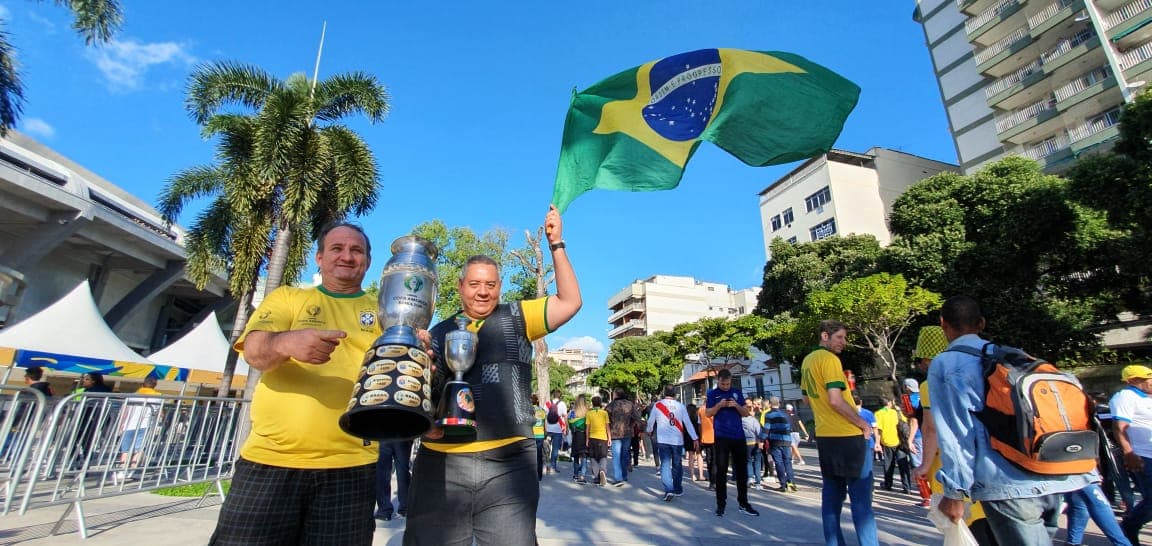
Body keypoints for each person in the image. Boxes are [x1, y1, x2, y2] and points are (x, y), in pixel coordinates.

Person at [405, 205, 581, 546]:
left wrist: (556, 245)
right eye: (474, 284)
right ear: (460, 287)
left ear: (499, 286)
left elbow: (570, 301)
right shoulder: (437, 332)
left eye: (490, 284)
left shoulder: (519, 315)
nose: (482, 292)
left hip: (509, 461)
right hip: (441, 464)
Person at [210, 223, 383, 545]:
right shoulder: (287, 297)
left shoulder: (384, 312)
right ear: (319, 258)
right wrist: (285, 343)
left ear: (367, 262)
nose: (347, 256)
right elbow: (254, 353)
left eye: (356, 251)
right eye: (337, 249)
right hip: (270, 461)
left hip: (351, 466)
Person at [931, 296, 1094, 544]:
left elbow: (955, 433)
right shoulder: (1013, 355)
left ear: (943, 323)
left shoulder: (945, 364)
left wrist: (955, 491)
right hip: (1051, 469)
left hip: (1006, 481)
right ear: (982, 323)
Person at [911, 324, 999, 544]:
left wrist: (923, 465)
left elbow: (931, 428)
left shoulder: (932, 381)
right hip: (991, 464)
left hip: (952, 467)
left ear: (927, 358)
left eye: (921, 360)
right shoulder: (983, 370)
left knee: (968, 531)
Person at [800, 319, 878, 546]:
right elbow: (835, 400)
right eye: (839, 337)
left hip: (825, 436)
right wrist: (863, 424)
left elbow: (806, 398)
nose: (843, 342)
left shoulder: (807, 361)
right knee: (861, 501)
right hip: (848, 435)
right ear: (825, 336)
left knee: (831, 498)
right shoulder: (830, 359)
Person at [705, 369, 759, 517]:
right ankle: (720, 504)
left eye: (728, 383)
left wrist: (736, 405)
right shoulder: (712, 393)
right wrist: (719, 406)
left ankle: (744, 502)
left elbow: (746, 413)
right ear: (718, 380)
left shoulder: (736, 392)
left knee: (742, 471)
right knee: (721, 471)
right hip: (721, 437)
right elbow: (708, 413)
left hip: (738, 436)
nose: (726, 386)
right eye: (723, 383)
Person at [1113, 364, 1152, 545]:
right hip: (1142, 456)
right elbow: (1119, 427)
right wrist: (1129, 453)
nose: (1151, 381)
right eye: (1147, 378)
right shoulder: (1125, 397)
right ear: (1133, 381)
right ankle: (1129, 526)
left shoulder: (1148, 398)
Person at [647, 385, 698, 501]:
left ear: (664, 392)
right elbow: (688, 423)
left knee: (665, 464)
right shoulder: (680, 406)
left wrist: (649, 430)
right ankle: (678, 489)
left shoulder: (657, 405)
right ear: (675, 394)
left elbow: (650, 421)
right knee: (677, 465)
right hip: (677, 440)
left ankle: (668, 490)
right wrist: (695, 438)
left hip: (663, 440)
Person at [114, 376, 163, 483]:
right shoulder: (158, 397)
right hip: (145, 425)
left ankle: (122, 471)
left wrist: (121, 424)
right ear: (155, 385)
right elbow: (160, 413)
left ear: (143, 384)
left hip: (129, 424)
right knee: (138, 450)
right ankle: (132, 471)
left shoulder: (133, 396)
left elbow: (124, 411)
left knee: (126, 450)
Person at [874, 396, 911, 494]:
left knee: (889, 465)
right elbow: (905, 421)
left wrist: (877, 443)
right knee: (903, 465)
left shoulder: (878, 414)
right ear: (889, 403)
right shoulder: (896, 412)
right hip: (900, 441)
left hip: (887, 442)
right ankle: (907, 487)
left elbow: (878, 430)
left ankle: (888, 484)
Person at [606, 387, 640, 486]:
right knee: (625, 454)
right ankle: (624, 476)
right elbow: (636, 417)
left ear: (616, 394)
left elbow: (606, 420)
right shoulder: (630, 404)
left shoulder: (611, 406)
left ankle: (618, 478)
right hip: (627, 433)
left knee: (616, 456)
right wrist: (631, 425)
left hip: (615, 433)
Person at [763, 396, 797, 492]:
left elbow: (766, 429)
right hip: (786, 440)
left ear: (770, 404)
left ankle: (783, 484)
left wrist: (762, 439)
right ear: (779, 403)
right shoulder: (786, 414)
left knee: (779, 462)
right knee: (788, 462)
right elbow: (789, 427)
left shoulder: (769, 415)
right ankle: (791, 482)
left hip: (775, 441)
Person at [375, 439, 414, 522]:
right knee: (403, 471)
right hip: (402, 436)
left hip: (384, 435)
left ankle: (384, 510)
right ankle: (405, 507)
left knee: (382, 473)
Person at [585, 395, 610, 486]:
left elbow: (588, 427)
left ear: (592, 403)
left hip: (592, 437)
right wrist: (609, 438)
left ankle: (596, 476)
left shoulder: (589, 413)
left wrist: (587, 439)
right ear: (600, 403)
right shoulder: (604, 413)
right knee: (603, 456)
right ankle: (602, 470)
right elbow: (607, 427)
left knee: (593, 457)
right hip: (603, 437)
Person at [741, 399, 763, 491]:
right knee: (757, 462)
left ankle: (750, 478)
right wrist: (761, 441)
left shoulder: (740, 420)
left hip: (746, 443)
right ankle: (758, 482)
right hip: (755, 442)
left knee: (748, 461)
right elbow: (759, 432)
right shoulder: (754, 420)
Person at [544, 389, 567, 474]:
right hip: (558, 430)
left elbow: (545, 417)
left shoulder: (547, 403)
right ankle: (553, 467)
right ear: (560, 395)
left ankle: (548, 467)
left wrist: (545, 429)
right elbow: (565, 417)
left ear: (553, 395)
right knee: (555, 450)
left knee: (547, 449)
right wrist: (566, 428)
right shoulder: (562, 404)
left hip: (549, 430)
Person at [569, 394, 589, 483]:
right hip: (585, 435)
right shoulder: (588, 412)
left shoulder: (573, 412)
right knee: (584, 456)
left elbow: (570, 424)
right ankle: (583, 475)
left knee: (576, 456)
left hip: (576, 435)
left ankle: (576, 474)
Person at [698, 402, 716, 488]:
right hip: (717, 437)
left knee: (709, 460)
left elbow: (699, 425)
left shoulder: (701, 410)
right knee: (716, 460)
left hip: (706, 438)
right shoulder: (717, 408)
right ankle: (716, 480)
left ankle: (712, 482)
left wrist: (700, 437)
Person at [684, 402, 703, 482]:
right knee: (699, 455)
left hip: (688, 437)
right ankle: (701, 475)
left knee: (691, 456)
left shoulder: (685, 417)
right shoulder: (697, 416)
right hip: (697, 436)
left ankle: (692, 475)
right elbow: (700, 426)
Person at [531, 393, 547, 481]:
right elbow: (544, 423)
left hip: (531, 435)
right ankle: (539, 475)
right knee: (539, 455)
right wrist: (545, 433)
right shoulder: (542, 410)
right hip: (540, 435)